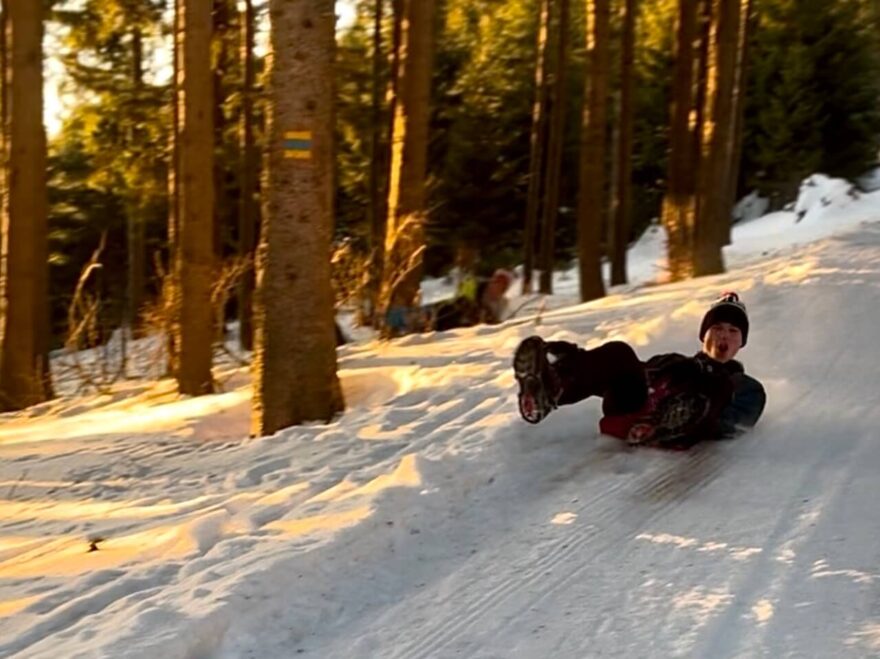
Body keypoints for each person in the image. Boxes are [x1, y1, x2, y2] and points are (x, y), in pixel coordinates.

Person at [513, 291, 766, 449]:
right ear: (704, 335)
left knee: (717, 384)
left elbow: (734, 425)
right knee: (619, 352)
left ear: (740, 343)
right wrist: (577, 364)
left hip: (689, 424)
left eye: (733, 331)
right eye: (717, 328)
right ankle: (549, 390)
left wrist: (704, 416)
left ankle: (668, 424)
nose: (724, 335)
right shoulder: (673, 360)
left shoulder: (745, 386)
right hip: (636, 403)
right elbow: (632, 374)